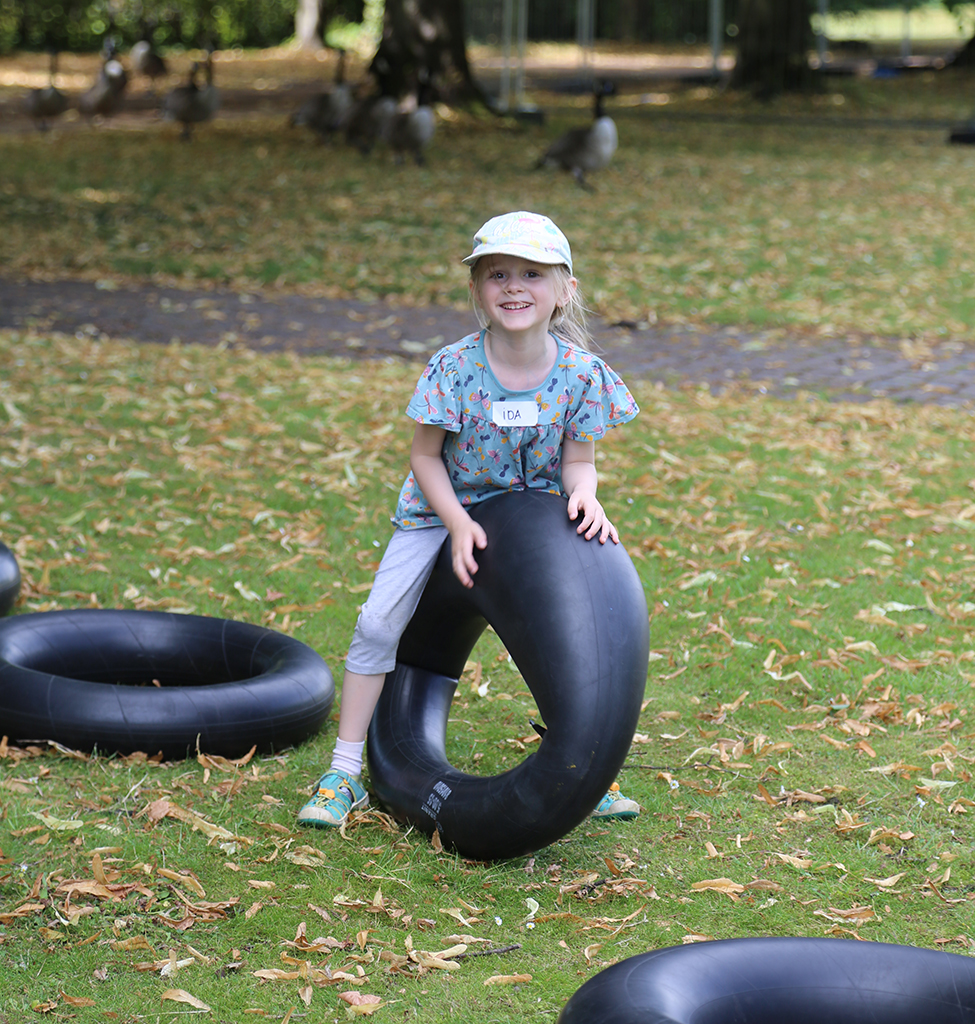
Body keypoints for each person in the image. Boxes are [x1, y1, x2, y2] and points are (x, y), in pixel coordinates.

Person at [299, 210, 641, 830]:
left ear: (564, 289)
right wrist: (456, 522)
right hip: (439, 512)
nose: (514, 287)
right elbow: (424, 456)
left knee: (554, 636)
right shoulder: (454, 368)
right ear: (478, 289)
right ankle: (344, 771)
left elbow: (580, 461)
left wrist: (587, 496)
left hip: (531, 520)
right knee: (378, 623)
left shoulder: (581, 375)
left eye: (532, 274)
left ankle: (589, 768)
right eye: (497, 274)